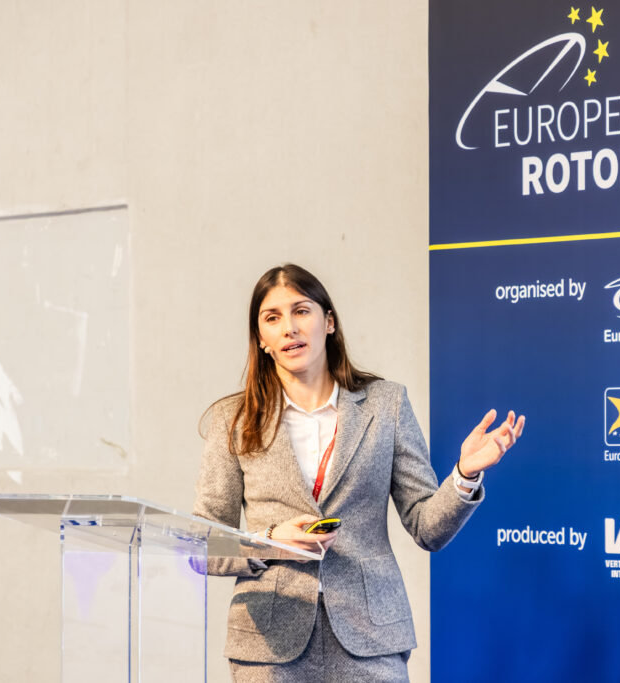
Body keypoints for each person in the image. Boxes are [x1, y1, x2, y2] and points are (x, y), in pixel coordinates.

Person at [193, 263, 525, 682]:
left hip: (371, 638)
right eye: (272, 318)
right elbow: (202, 544)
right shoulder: (234, 419)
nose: (289, 328)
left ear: (329, 322)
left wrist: (464, 474)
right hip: (268, 646)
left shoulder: (386, 405)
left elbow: (427, 528)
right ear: (261, 339)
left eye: (301, 311)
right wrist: (269, 541)